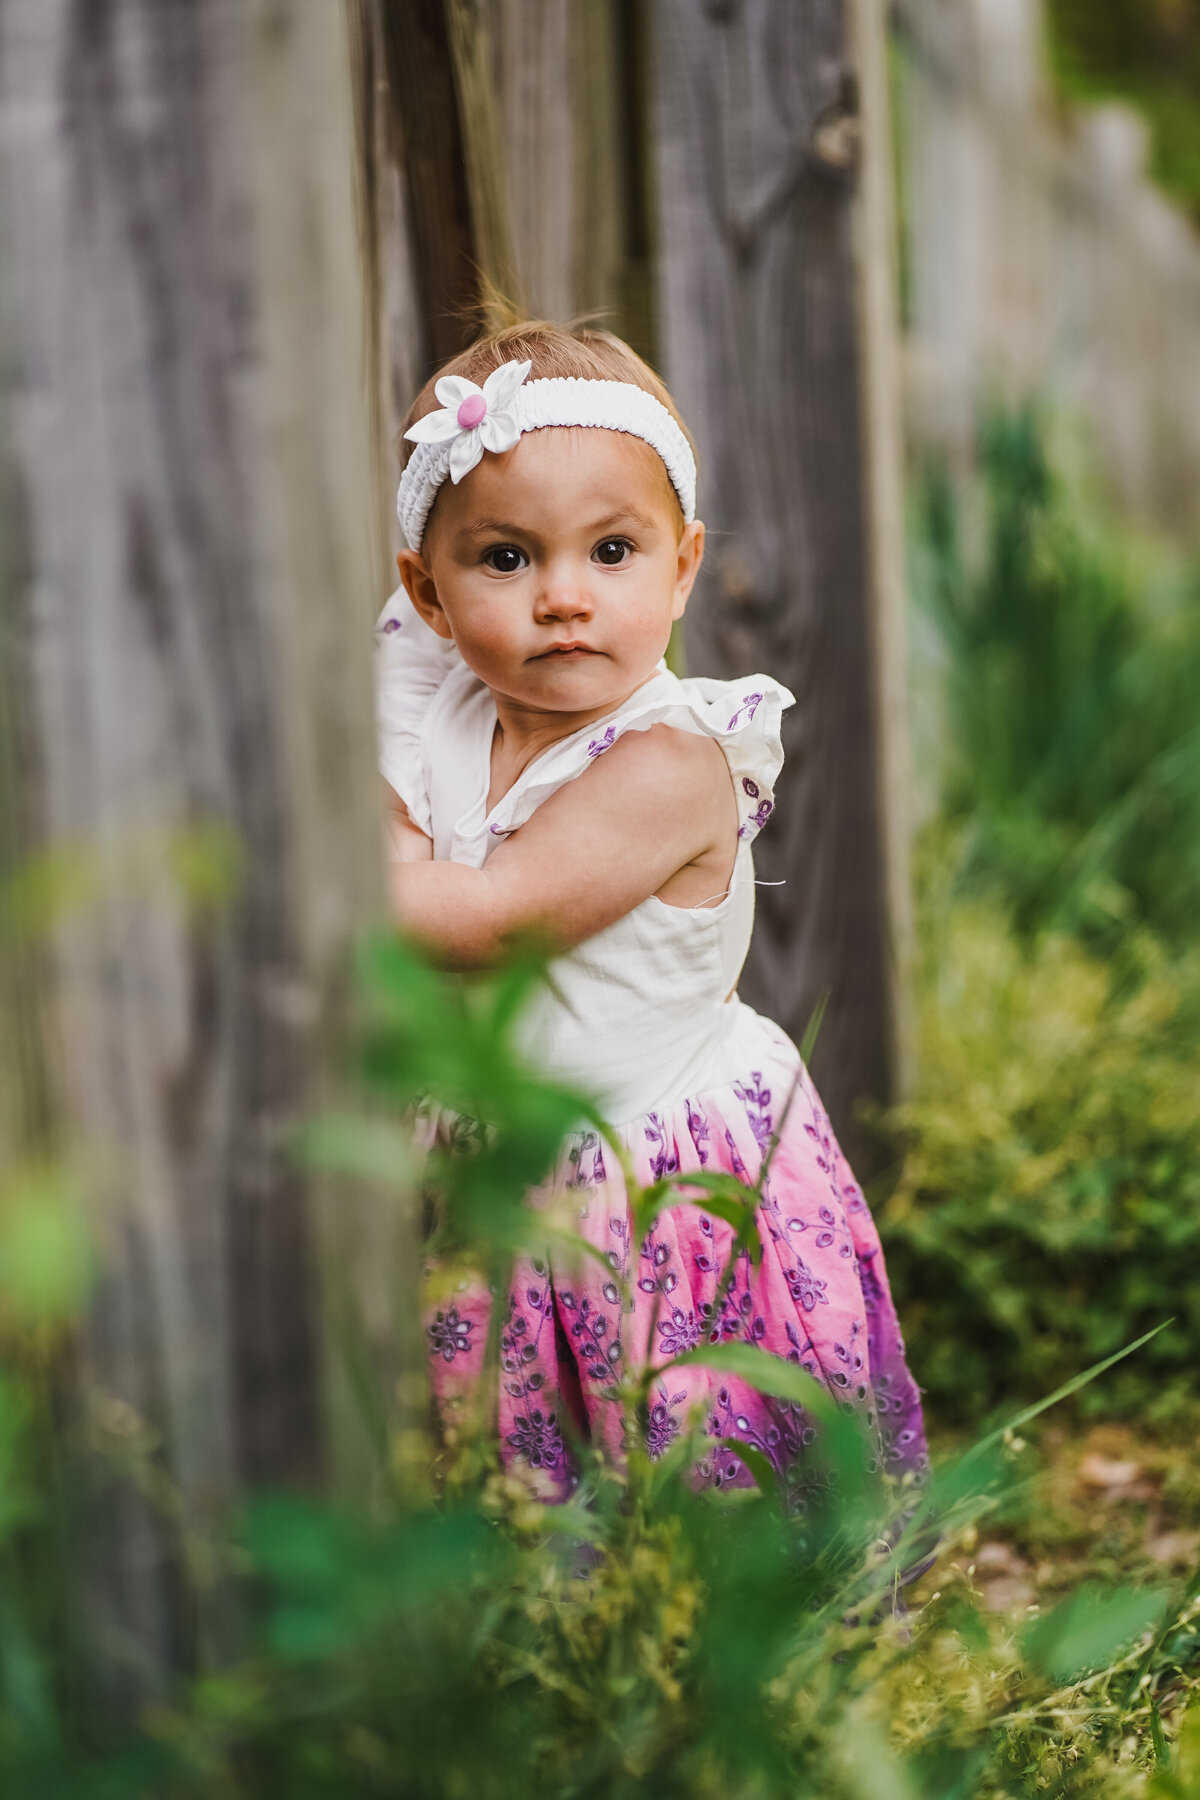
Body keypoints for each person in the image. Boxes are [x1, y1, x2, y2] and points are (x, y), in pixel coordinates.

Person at [377, 320, 927, 1504]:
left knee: (689, 1449)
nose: (565, 597)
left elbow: (482, 919)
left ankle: (743, 1646)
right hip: (498, 1160)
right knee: (528, 1468)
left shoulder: (672, 763)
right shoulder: (440, 713)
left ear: (682, 569)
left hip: (650, 1177)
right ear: (428, 592)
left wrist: (337, 859)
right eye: (507, 560)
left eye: (612, 551)